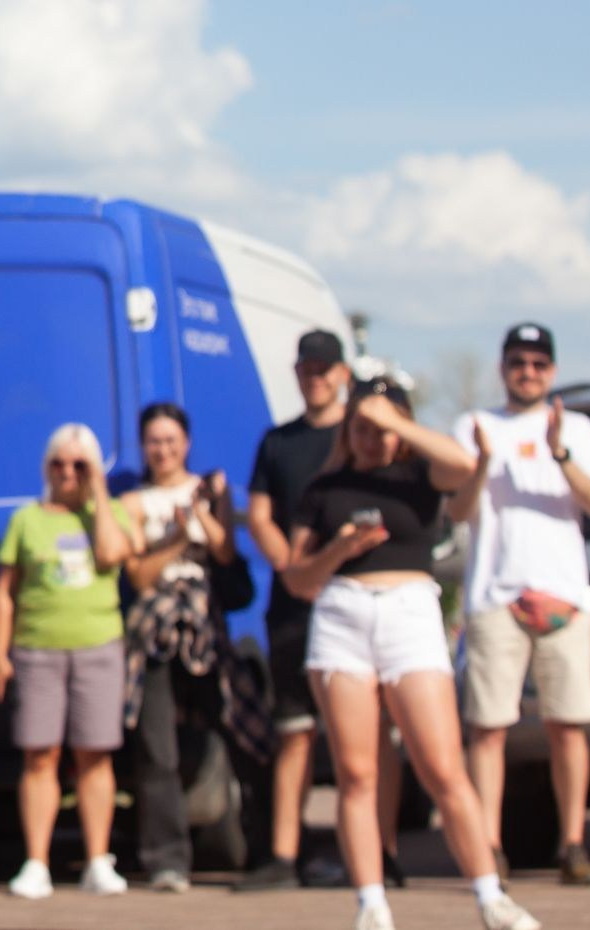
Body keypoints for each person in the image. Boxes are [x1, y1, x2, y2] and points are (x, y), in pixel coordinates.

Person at [285, 379, 536, 930]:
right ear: (347, 431)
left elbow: (466, 463)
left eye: (382, 429)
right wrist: (339, 549)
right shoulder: (325, 487)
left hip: (409, 614)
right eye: (362, 428)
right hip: (342, 616)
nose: (373, 439)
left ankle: (490, 895)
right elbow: (297, 578)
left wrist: (394, 420)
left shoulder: (421, 476)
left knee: (442, 766)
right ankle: (372, 904)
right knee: (357, 772)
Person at [449, 323, 590, 887]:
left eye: (539, 362)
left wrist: (559, 452)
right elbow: (456, 512)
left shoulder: (579, 428)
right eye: (518, 361)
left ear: (553, 370)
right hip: (496, 597)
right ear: (503, 367)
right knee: (488, 729)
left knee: (568, 726)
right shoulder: (474, 427)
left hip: (564, 597)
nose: (528, 371)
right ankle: (487, 848)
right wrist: (478, 466)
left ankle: (573, 844)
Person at [120, 401, 266, 892]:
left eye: (170, 440)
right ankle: (166, 858)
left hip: (206, 623)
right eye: (154, 441)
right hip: (156, 628)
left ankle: (267, 845)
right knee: (156, 746)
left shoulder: (210, 488)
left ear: (186, 442)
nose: (162, 449)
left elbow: (225, 552)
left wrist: (204, 513)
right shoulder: (135, 503)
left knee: (240, 726)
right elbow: (139, 575)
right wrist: (181, 536)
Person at [239, 330, 364, 890]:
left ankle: (371, 851)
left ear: (342, 374)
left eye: (324, 368)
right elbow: (258, 511)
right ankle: (285, 857)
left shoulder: (361, 439)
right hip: (292, 609)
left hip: (355, 601)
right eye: (306, 368)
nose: (314, 377)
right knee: (295, 732)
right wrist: (286, 561)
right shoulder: (279, 442)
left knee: (356, 738)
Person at [0, 422, 134, 900]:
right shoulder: (27, 519)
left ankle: (97, 859)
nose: (67, 472)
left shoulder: (109, 513)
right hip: (38, 650)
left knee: (94, 755)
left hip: (98, 647)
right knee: (40, 755)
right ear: (46, 466)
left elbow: (115, 555)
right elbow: (5, 593)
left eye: (79, 464)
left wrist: (98, 492)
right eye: (59, 463)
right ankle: (36, 862)